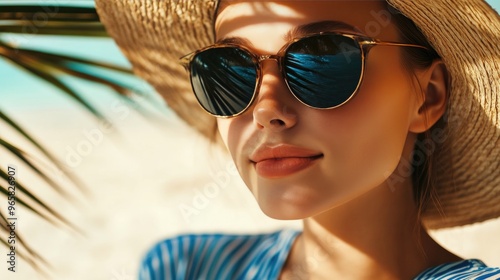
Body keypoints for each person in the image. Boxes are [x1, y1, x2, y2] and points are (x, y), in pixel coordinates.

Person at [96, 0, 500, 279]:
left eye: (320, 59)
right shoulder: (183, 267)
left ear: (427, 97)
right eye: (229, 70)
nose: (265, 110)